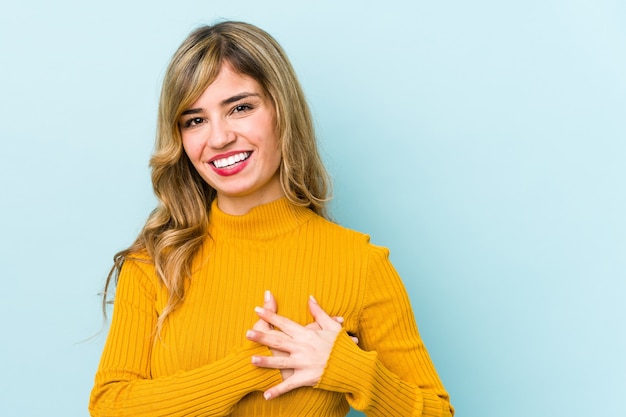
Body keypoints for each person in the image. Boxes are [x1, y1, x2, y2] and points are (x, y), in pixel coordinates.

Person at [89, 20, 454, 417]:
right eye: (195, 120)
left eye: (240, 108)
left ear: (282, 111)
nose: (219, 137)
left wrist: (350, 370)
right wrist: (256, 364)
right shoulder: (154, 262)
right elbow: (111, 406)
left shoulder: (359, 264)